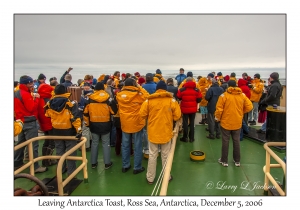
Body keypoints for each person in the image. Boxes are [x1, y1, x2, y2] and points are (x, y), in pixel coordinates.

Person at [140, 81, 181, 184]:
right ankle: (166, 177)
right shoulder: (171, 100)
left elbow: (142, 114)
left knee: (153, 155)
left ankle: (150, 178)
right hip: (166, 132)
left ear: (156, 89)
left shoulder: (148, 101)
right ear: (165, 89)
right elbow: (177, 116)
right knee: (165, 156)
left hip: (153, 132)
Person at [45, 84, 82, 176]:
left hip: (56, 130)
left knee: (59, 151)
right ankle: (71, 172)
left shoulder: (49, 103)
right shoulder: (70, 103)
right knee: (71, 152)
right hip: (69, 130)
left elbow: (47, 115)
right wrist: (79, 130)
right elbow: (75, 118)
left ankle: (60, 170)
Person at [215, 80, 253, 167]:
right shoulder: (242, 95)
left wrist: (217, 118)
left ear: (228, 86)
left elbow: (219, 109)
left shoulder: (224, 96)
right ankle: (237, 161)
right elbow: (250, 106)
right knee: (236, 141)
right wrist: (241, 112)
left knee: (225, 141)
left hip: (226, 122)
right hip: (237, 122)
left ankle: (224, 160)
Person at [14, 75, 47, 173]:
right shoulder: (26, 94)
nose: (32, 84)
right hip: (29, 121)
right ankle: (35, 166)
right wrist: (36, 99)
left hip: (20, 122)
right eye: (30, 83)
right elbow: (31, 108)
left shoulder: (16, 93)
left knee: (21, 143)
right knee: (33, 145)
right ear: (26, 84)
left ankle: (16, 163)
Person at [116, 78, 149, 174]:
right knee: (138, 145)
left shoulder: (119, 95)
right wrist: (139, 87)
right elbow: (147, 97)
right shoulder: (138, 95)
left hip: (125, 123)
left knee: (125, 145)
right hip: (136, 123)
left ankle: (125, 165)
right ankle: (137, 167)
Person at [83, 82, 117, 169]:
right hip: (105, 123)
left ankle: (93, 163)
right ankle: (107, 163)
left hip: (94, 123)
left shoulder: (90, 98)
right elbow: (114, 111)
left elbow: (85, 113)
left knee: (94, 143)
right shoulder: (107, 98)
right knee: (106, 143)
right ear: (103, 88)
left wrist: (87, 123)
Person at [37, 83, 57, 166]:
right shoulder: (47, 101)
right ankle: (47, 160)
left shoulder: (39, 99)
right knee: (52, 143)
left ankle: (44, 159)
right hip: (49, 123)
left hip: (43, 123)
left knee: (46, 141)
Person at [177, 77, 202, 142]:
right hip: (193, 109)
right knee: (192, 122)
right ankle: (191, 138)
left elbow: (179, 98)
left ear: (186, 81)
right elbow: (199, 99)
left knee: (185, 123)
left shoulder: (182, 90)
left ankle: (185, 137)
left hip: (185, 108)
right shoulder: (197, 90)